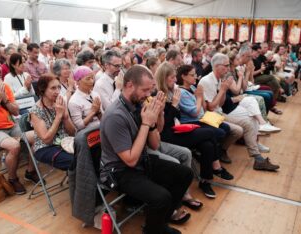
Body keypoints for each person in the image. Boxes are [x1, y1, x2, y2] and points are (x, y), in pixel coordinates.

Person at [100, 65, 193, 234]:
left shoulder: (137, 104)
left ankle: (157, 225)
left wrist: (157, 116)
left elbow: (155, 145)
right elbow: (130, 160)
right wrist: (145, 123)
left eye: (150, 90)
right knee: (161, 197)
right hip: (120, 171)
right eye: (144, 90)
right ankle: (154, 230)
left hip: (140, 161)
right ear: (129, 85)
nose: (148, 95)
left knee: (185, 173)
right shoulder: (116, 115)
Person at [155, 62, 234, 198]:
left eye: (175, 77)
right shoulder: (159, 94)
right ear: (164, 78)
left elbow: (194, 111)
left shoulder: (171, 91)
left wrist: (197, 97)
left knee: (207, 145)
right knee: (210, 132)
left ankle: (205, 180)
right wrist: (174, 105)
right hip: (167, 135)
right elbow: (164, 125)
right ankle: (216, 167)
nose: (175, 80)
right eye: (172, 78)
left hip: (177, 128)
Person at [199, 53, 280, 171]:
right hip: (211, 116)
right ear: (216, 66)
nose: (228, 68)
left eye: (228, 65)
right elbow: (210, 108)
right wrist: (222, 91)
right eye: (225, 66)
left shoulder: (220, 79)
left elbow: (220, 104)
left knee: (251, 117)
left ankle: (257, 158)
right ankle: (223, 151)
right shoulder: (206, 81)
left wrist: (223, 90)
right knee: (240, 128)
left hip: (219, 113)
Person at [0, 56, 37, 194]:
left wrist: (5, 100)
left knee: (39, 136)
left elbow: (16, 110)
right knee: (14, 146)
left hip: (11, 125)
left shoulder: (5, 86)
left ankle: (30, 171)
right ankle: (12, 178)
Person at [29, 73, 76, 170]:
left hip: (66, 142)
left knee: (91, 152)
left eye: (59, 87)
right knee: (76, 161)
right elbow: (46, 139)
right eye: (53, 88)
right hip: (45, 148)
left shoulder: (60, 102)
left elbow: (72, 132)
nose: (57, 91)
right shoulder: (35, 111)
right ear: (43, 89)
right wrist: (58, 116)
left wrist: (66, 118)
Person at [68, 66, 102, 131]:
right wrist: (93, 112)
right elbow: (79, 126)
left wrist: (99, 112)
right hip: (88, 134)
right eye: (88, 79)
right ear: (78, 81)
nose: (92, 81)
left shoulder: (95, 94)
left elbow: (103, 119)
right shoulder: (74, 101)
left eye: (92, 78)